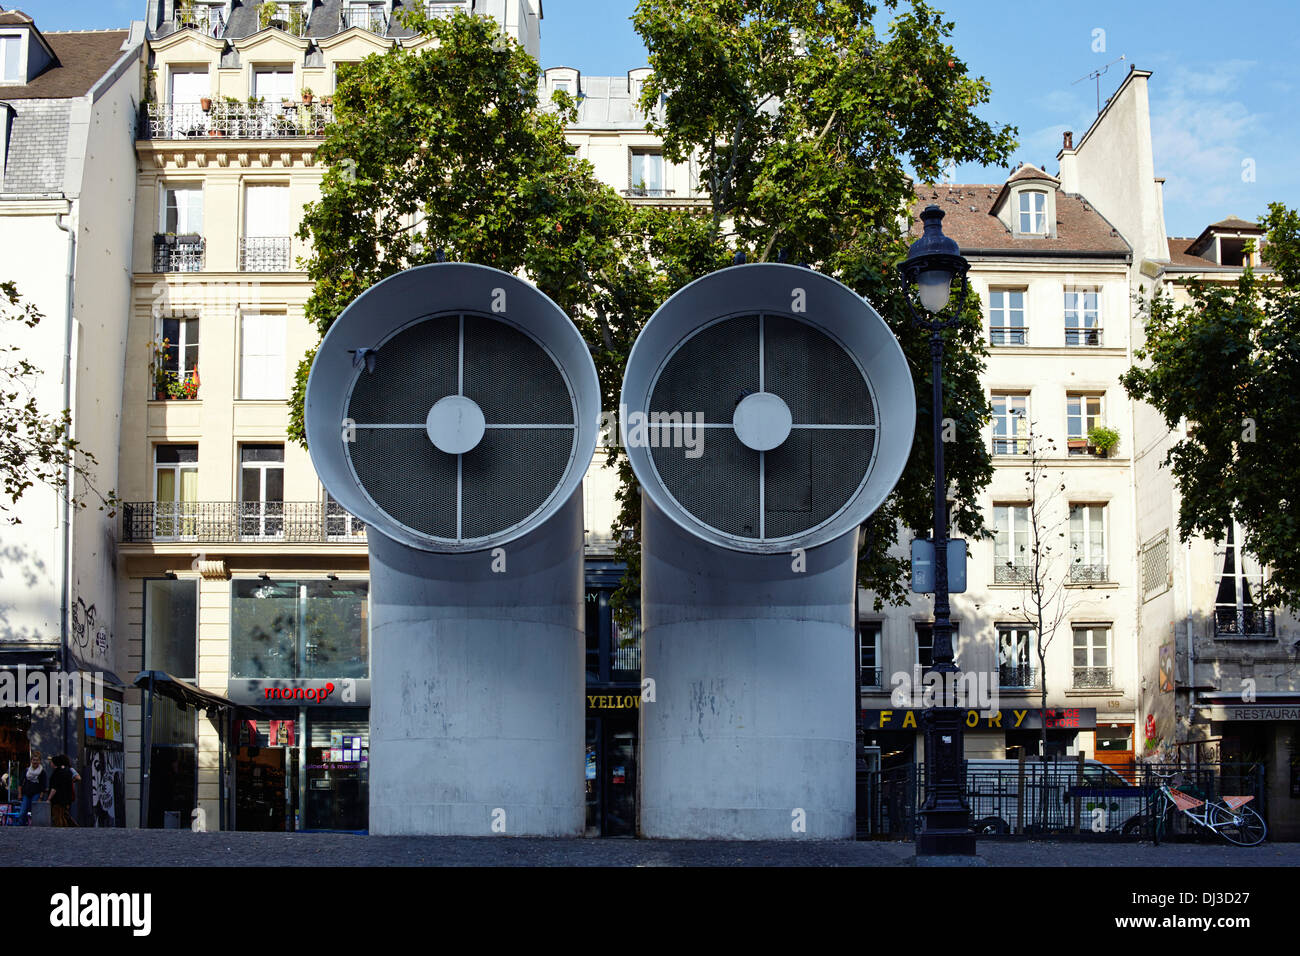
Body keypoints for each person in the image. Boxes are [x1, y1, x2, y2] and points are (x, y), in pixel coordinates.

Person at [48, 754, 79, 827]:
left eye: (51, 762)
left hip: (58, 798)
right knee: (64, 814)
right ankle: (71, 827)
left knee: (58, 816)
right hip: (66, 797)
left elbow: (54, 787)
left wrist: (49, 798)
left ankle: (62, 828)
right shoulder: (68, 770)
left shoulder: (57, 772)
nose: (50, 764)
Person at [17, 751, 47, 826]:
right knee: (22, 813)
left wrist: (40, 797)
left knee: (35, 813)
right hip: (26, 794)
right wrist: (19, 794)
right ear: (31, 760)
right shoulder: (26, 771)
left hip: (36, 794)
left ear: (40, 761)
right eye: (34, 760)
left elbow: (43, 786)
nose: (35, 762)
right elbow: (20, 783)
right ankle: (22, 828)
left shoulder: (42, 772)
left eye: (37, 760)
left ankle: (34, 828)